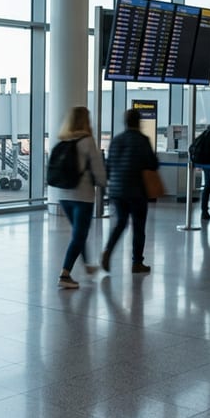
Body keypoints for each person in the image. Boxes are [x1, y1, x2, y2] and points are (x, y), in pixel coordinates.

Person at [101, 108, 158, 274]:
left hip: (118, 191)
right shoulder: (142, 140)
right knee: (139, 227)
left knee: (121, 222)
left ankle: (108, 250)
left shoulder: (116, 140)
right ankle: (137, 262)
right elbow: (152, 164)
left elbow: (109, 167)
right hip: (137, 191)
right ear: (138, 122)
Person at [54, 107, 106, 289]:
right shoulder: (87, 141)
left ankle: (87, 265)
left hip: (63, 195)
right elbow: (99, 171)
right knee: (79, 235)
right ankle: (65, 274)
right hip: (82, 195)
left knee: (79, 233)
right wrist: (103, 183)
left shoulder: (63, 140)